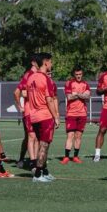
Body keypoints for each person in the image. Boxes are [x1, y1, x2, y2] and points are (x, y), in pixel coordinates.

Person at [26, 52, 61, 183]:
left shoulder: (31, 77)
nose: (51, 64)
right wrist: (56, 116)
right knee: (44, 145)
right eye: (50, 62)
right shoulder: (45, 78)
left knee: (42, 145)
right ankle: (38, 174)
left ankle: (44, 171)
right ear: (45, 62)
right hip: (45, 116)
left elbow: (29, 97)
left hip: (34, 116)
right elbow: (49, 100)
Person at [14, 56, 39, 169]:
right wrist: (20, 106)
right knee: (30, 137)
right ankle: (24, 159)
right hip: (30, 112)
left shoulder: (40, 75)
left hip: (38, 112)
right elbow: (19, 92)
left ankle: (35, 160)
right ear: (34, 62)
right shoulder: (28, 74)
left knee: (36, 137)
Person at [62, 67, 91, 164]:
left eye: (80, 74)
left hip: (82, 114)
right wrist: (81, 94)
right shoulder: (69, 83)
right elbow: (69, 97)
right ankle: (66, 157)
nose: (78, 76)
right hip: (71, 114)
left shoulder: (85, 84)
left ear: (82, 74)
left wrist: (76, 93)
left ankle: (75, 157)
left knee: (78, 136)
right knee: (70, 135)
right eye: (77, 74)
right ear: (74, 75)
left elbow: (87, 96)